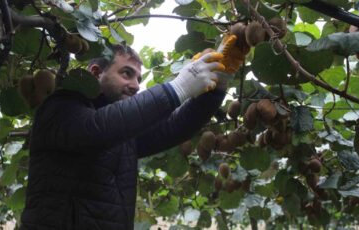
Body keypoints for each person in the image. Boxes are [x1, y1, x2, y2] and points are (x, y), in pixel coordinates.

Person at [19, 43, 241, 230]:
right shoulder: (59, 107)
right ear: (96, 72)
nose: (136, 86)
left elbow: (174, 127)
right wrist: (178, 88)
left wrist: (217, 85)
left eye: (139, 79)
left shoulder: (123, 133)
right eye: (126, 73)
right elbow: (96, 128)